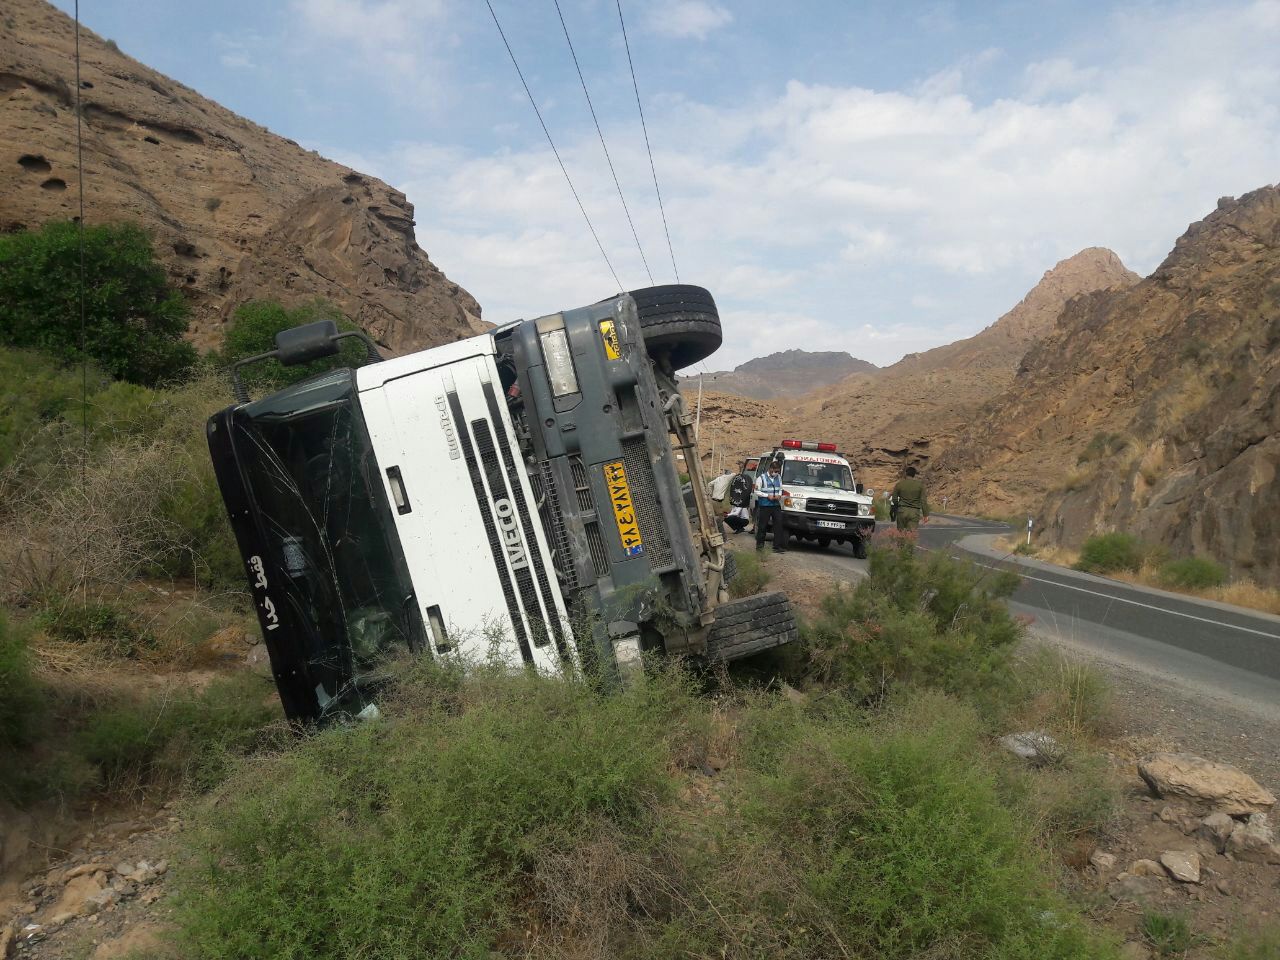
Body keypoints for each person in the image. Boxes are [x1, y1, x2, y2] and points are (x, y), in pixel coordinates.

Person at [754, 459, 787, 552]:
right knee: (762, 526)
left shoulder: (778, 477)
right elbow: (756, 491)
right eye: (775, 471)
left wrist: (779, 495)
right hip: (765, 505)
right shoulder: (761, 478)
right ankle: (760, 547)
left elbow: (780, 488)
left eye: (778, 471)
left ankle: (777, 546)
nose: (776, 473)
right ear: (770, 469)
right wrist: (767, 496)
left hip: (776, 504)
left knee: (779, 525)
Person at [891, 465, 930, 532]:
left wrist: (898, 507)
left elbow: (894, 499)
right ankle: (908, 542)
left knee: (900, 533)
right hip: (914, 512)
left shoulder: (899, 484)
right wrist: (925, 515)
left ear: (906, 473)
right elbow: (923, 501)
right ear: (914, 475)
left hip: (902, 511)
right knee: (911, 534)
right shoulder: (920, 485)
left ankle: (901, 542)